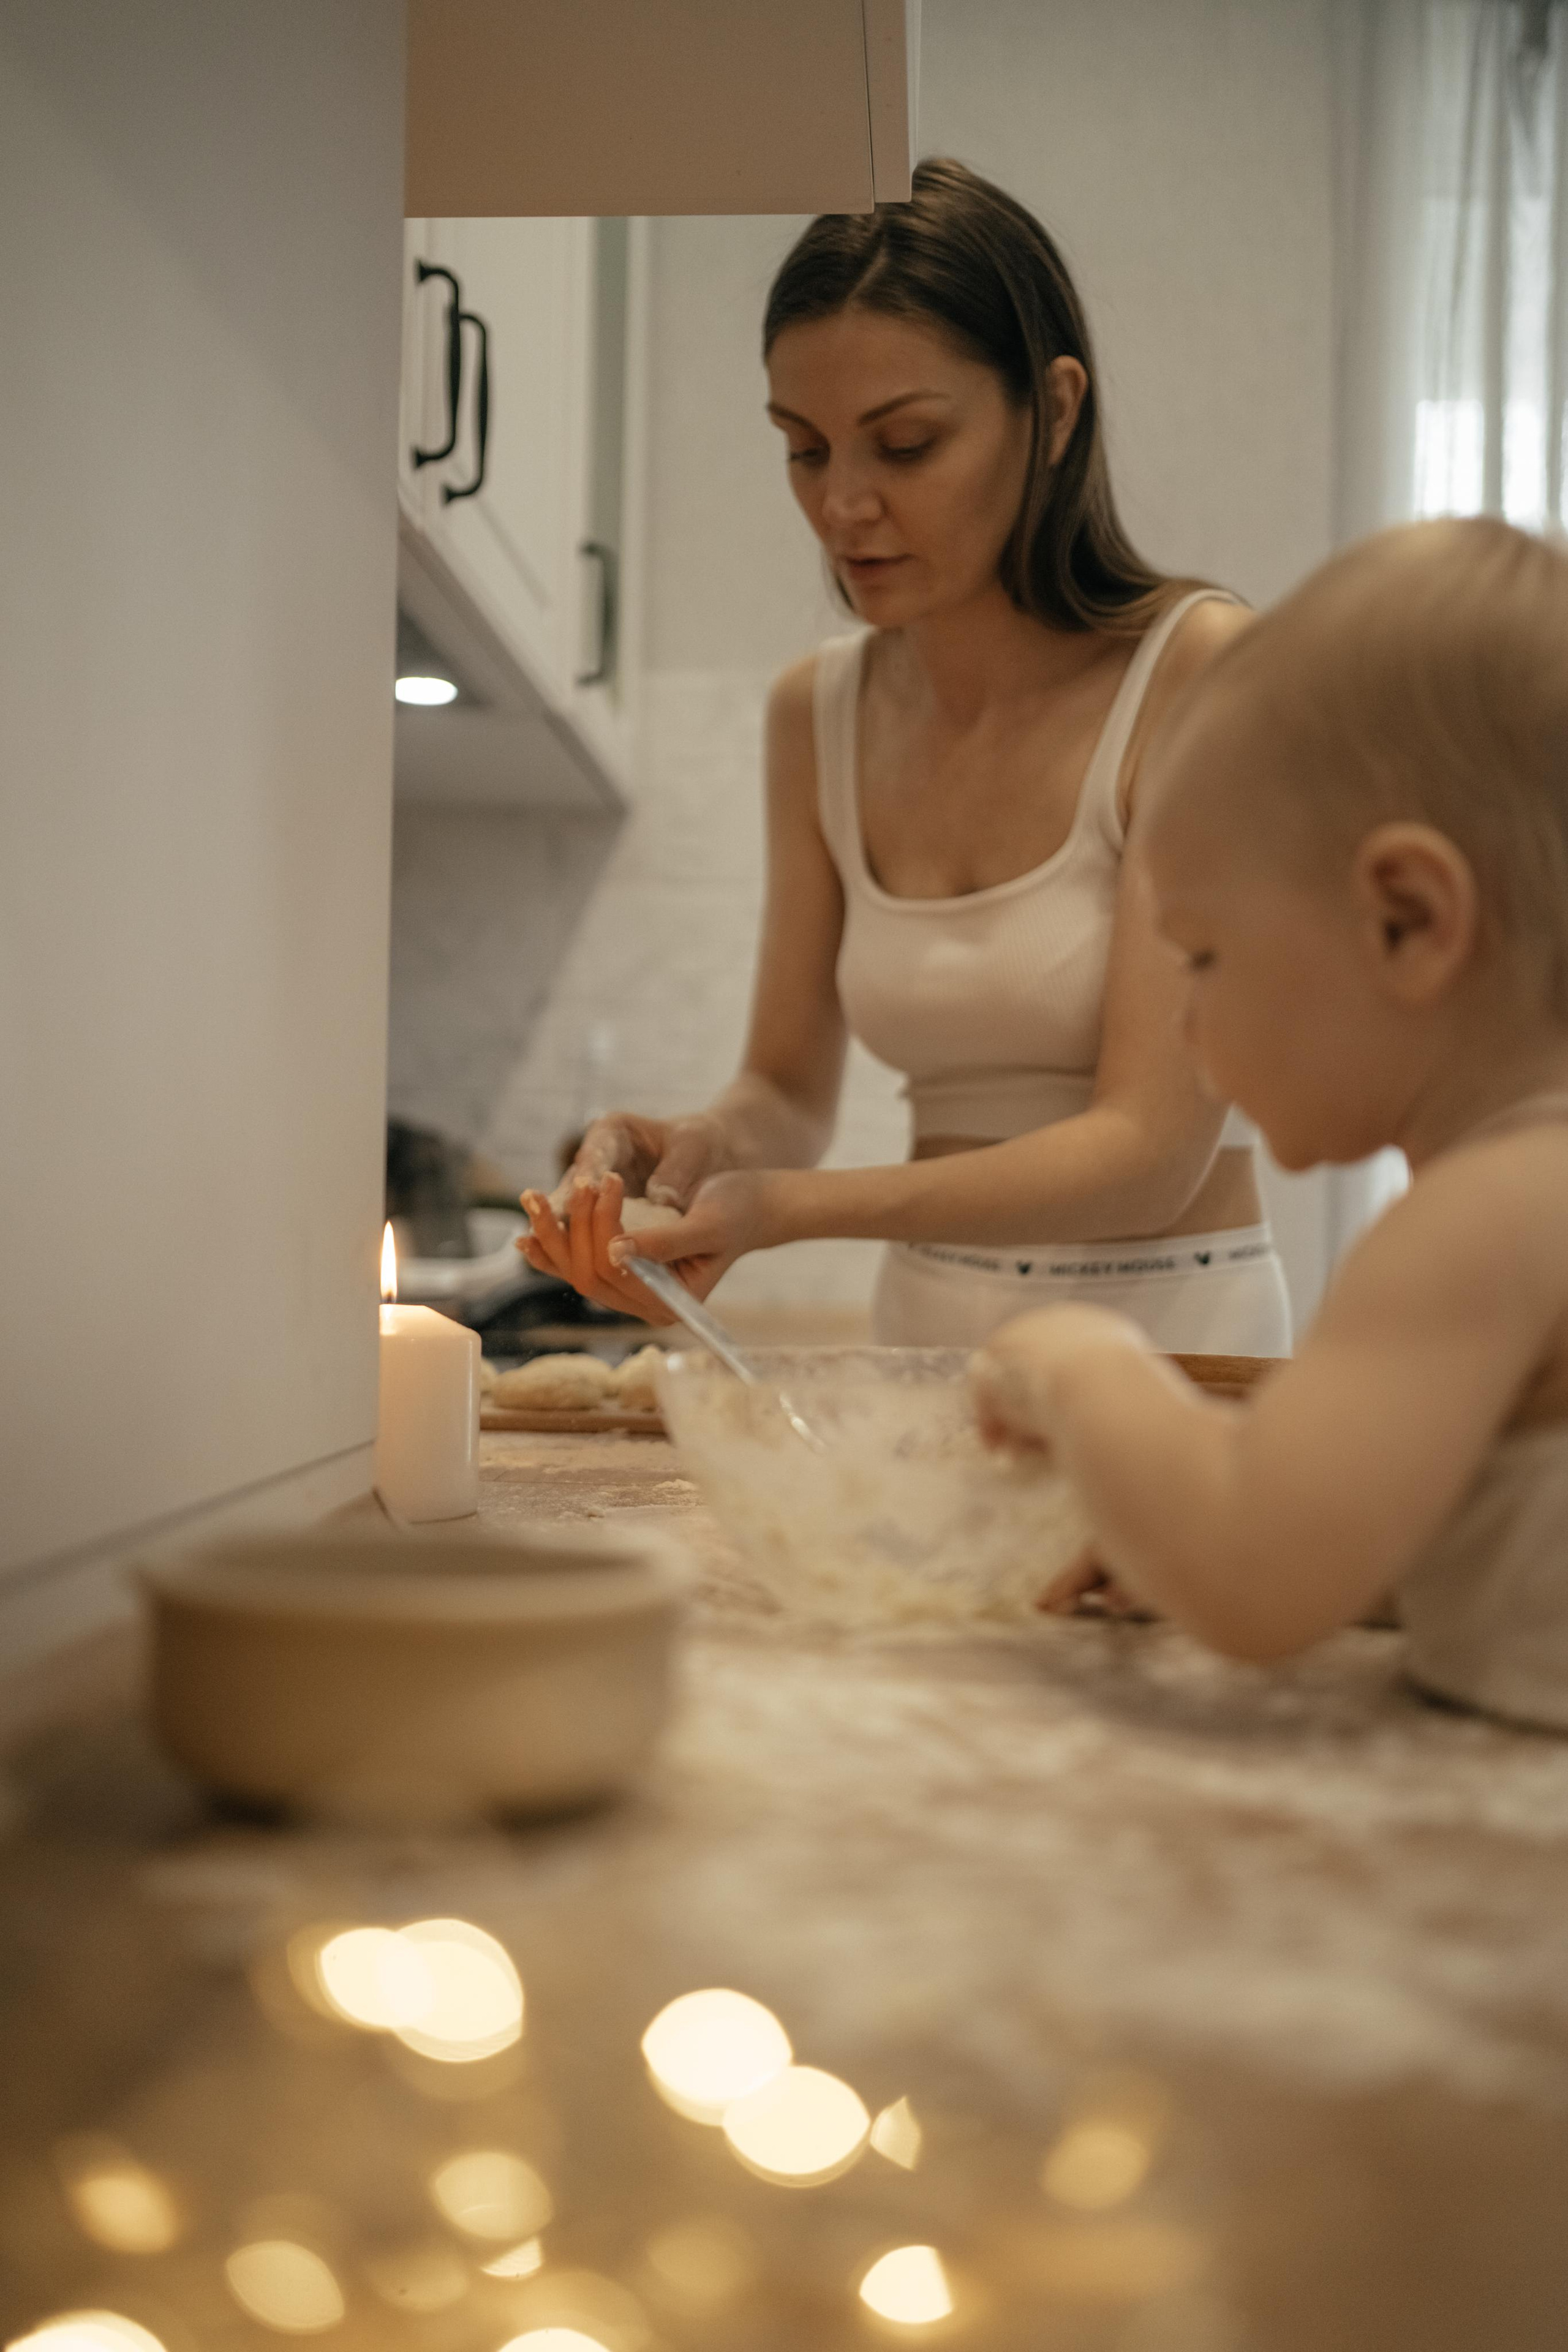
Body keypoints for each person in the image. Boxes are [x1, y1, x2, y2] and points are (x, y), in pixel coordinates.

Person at [521, 159, 1291, 1355]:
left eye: (905, 444)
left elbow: (1147, 1149)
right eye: (803, 448)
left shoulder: (1196, 672)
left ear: (1055, 410)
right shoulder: (813, 712)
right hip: (924, 1335)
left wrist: (788, 1212)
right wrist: (703, 1156)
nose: (841, 506)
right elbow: (785, 1089)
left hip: (1175, 1333)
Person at [973, 517, 1568, 1732]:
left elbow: (1251, 1575)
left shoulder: (1485, 1215)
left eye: (1200, 954)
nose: (1179, 1019)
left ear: (1404, 920)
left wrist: (1079, 1362)